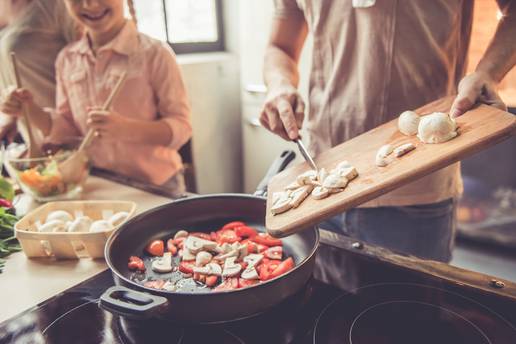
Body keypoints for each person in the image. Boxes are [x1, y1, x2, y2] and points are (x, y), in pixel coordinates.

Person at [261, 0, 516, 262]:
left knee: (408, 302)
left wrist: (489, 73)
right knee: (328, 300)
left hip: (415, 189)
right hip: (321, 178)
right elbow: (279, 47)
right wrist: (279, 85)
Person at [0, 0, 192, 192]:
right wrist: (29, 108)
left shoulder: (155, 54)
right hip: (100, 182)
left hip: (156, 184)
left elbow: (181, 127)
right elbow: (67, 130)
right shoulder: (66, 60)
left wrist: (125, 129)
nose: (89, 4)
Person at [0, 0, 76, 144]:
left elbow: (89, 59)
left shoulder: (56, 5)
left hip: (67, 136)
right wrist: (11, 117)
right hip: (33, 143)